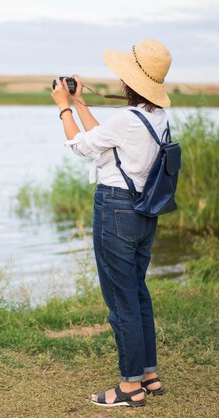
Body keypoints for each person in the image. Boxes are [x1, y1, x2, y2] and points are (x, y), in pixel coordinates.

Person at [51, 39, 172, 408]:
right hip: (144, 211)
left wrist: (62, 109)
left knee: (121, 302)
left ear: (127, 81)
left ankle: (129, 387)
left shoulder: (126, 120)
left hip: (116, 210)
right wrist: (80, 104)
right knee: (137, 293)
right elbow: (106, 141)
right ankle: (148, 376)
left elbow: (79, 146)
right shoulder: (157, 117)